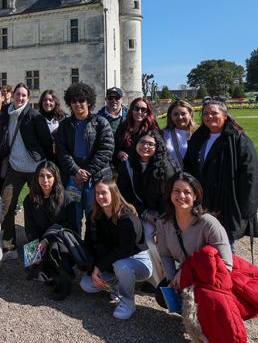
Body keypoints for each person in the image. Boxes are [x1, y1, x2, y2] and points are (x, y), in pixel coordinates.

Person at [183, 98, 258, 251]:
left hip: (225, 204)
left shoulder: (239, 140)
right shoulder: (198, 138)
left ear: (225, 115)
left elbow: (251, 176)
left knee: (223, 250)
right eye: (205, 113)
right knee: (198, 247)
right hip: (201, 202)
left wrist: (247, 210)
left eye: (214, 113)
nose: (209, 116)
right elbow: (189, 168)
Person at [79, 180, 152, 320]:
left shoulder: (128, 218)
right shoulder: (94, 216)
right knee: (87, 285)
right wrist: (94, 268)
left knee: (121, 265)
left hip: (136, 261)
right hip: (112, 260)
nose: (100, 197)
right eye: (97, 193)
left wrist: (100, 266)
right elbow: (89, 243)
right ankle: (118, 284)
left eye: (104, 193)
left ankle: (128, 301)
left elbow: (123, 250)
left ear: (115, 194)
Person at [115, 128, 178, 286]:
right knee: (146, 238)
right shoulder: (127, 165)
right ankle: (155, 281)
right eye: (142, 142)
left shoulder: (165, 165)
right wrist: (145, 214)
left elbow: (169, 197)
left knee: (157, 238)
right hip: (141, 210)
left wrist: (162, 221)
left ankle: (168, 278)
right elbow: (125, 193)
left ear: (157, 147)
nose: (145, 146)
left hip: (167, 211)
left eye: (151, 144)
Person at [0, 83, 53, 259]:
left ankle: (43, 246)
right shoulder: (6, 113)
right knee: (5, 206)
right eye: (17, 94)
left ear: (28, 98)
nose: (20, 98)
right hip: (15, 167)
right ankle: (9, 248)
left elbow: (45, 141)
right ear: (13, 95)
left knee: (39, 208)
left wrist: (42, 164)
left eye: (23, 96)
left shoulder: (34, 116)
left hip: (35, 169)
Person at [155, 173, 233, 292]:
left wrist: (186, 273)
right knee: (162, 293)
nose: (181, 196)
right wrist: (172, 280)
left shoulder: (209, 223)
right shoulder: (163, 222)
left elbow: (226, 264)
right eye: (176, 190)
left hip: (210, 278)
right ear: (170, 193)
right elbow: (165, 255)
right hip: (185, 273)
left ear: (195, 195)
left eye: (187, 192)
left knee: (199, 295)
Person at [54, 82, 114, 228]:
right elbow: (61, 151)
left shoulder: (100, 122)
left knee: (96, 218)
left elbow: (106, 151)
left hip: (96, 178)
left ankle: (95, 249)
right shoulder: (65, 125)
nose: (78, 104)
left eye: (81, 100)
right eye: (74, 101)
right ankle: (76, 249)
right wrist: (76, 171)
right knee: (73, 218)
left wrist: (86, 172)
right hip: (73, 179)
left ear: (89, 102)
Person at [23, 161, 79, 300]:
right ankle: (51, 272)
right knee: (35, 260)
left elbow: (72, 227)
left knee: (55, 247)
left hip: (62, 240)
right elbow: (30, 227)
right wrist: (35, 246)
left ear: (56, 178)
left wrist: (47, 239)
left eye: (49, 176)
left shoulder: (67, 198)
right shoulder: (29, 199)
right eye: (41, 176)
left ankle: (66, 281)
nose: (45, 180)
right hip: (42, 240)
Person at [113, 97, 159, 163]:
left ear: (148, 112)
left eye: (144, 110)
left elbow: (158, 150)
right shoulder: (123, 126)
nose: (139, 112)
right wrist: (119, 153)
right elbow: (115, 146)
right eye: (136, 109)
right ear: (131, 110)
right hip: (126, 167)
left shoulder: (153, 128)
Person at [163, 99, 199, 170]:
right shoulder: (164, 134)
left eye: (183, 114)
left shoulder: (200, 132)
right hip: (173, 178)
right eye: (175, 114)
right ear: (170, 115)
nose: (180, 117)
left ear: (190, 114)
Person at [38, 89, 67, 165]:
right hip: (42, 159)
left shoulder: (64, 118)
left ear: (55, 102)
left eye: (51, 100)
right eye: (45, 100)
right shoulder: (36, 118)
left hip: (60, 160)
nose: (47, 103)